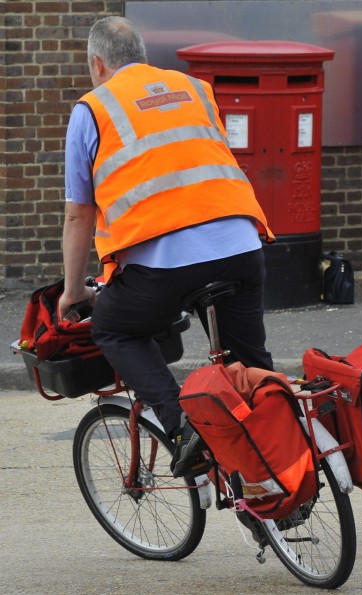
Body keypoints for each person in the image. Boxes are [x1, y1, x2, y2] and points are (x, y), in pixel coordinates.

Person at [59, 16, 277, 476]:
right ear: (141, 55)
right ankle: (280, 469)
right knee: (252, 371)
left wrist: (73, 292)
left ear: (98, 64)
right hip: (241, 245)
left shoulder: (93, 109)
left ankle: (182, 431)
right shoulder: (195, 89)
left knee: (116, 328)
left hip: (164, 265)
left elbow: (79, 213)